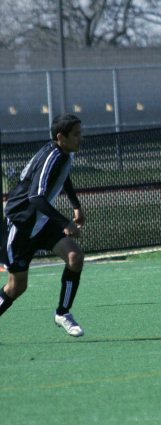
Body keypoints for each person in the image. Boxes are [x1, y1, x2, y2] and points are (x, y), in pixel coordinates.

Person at [0, 114, 86, 336]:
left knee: (75, 257)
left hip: (41, 220)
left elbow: (62, 176)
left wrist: (76, 205)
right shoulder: (52, 156)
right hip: (21, 224)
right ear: (61, 137)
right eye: (76, 134)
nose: (81, 138)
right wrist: (65, 222)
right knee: (16, 287)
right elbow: (35, 198)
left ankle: (63, 313)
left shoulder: (64, 154)